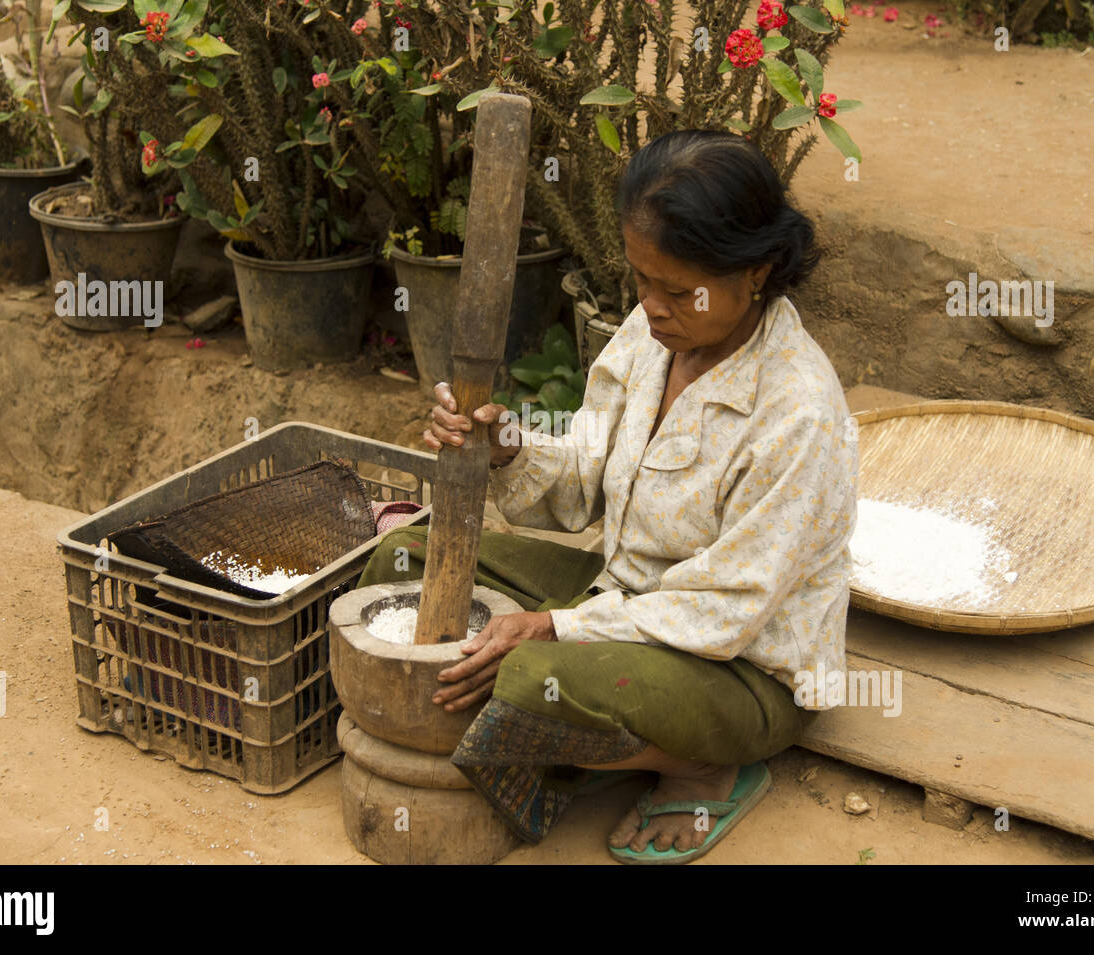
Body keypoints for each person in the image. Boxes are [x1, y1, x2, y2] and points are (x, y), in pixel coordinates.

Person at [356, 128, 858, 864]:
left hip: (741, 670)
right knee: (403, 560)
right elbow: (586, 474)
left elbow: (723, 609)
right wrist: (506, 448)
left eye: (675, 286)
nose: (650, 307)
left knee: (529, 677)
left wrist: (558, 629)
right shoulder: (654, 331)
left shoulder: (799, 413)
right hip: (615, 596)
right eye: (639, 279)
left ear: (757, 270)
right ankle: (533, 738)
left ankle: (701, 764)